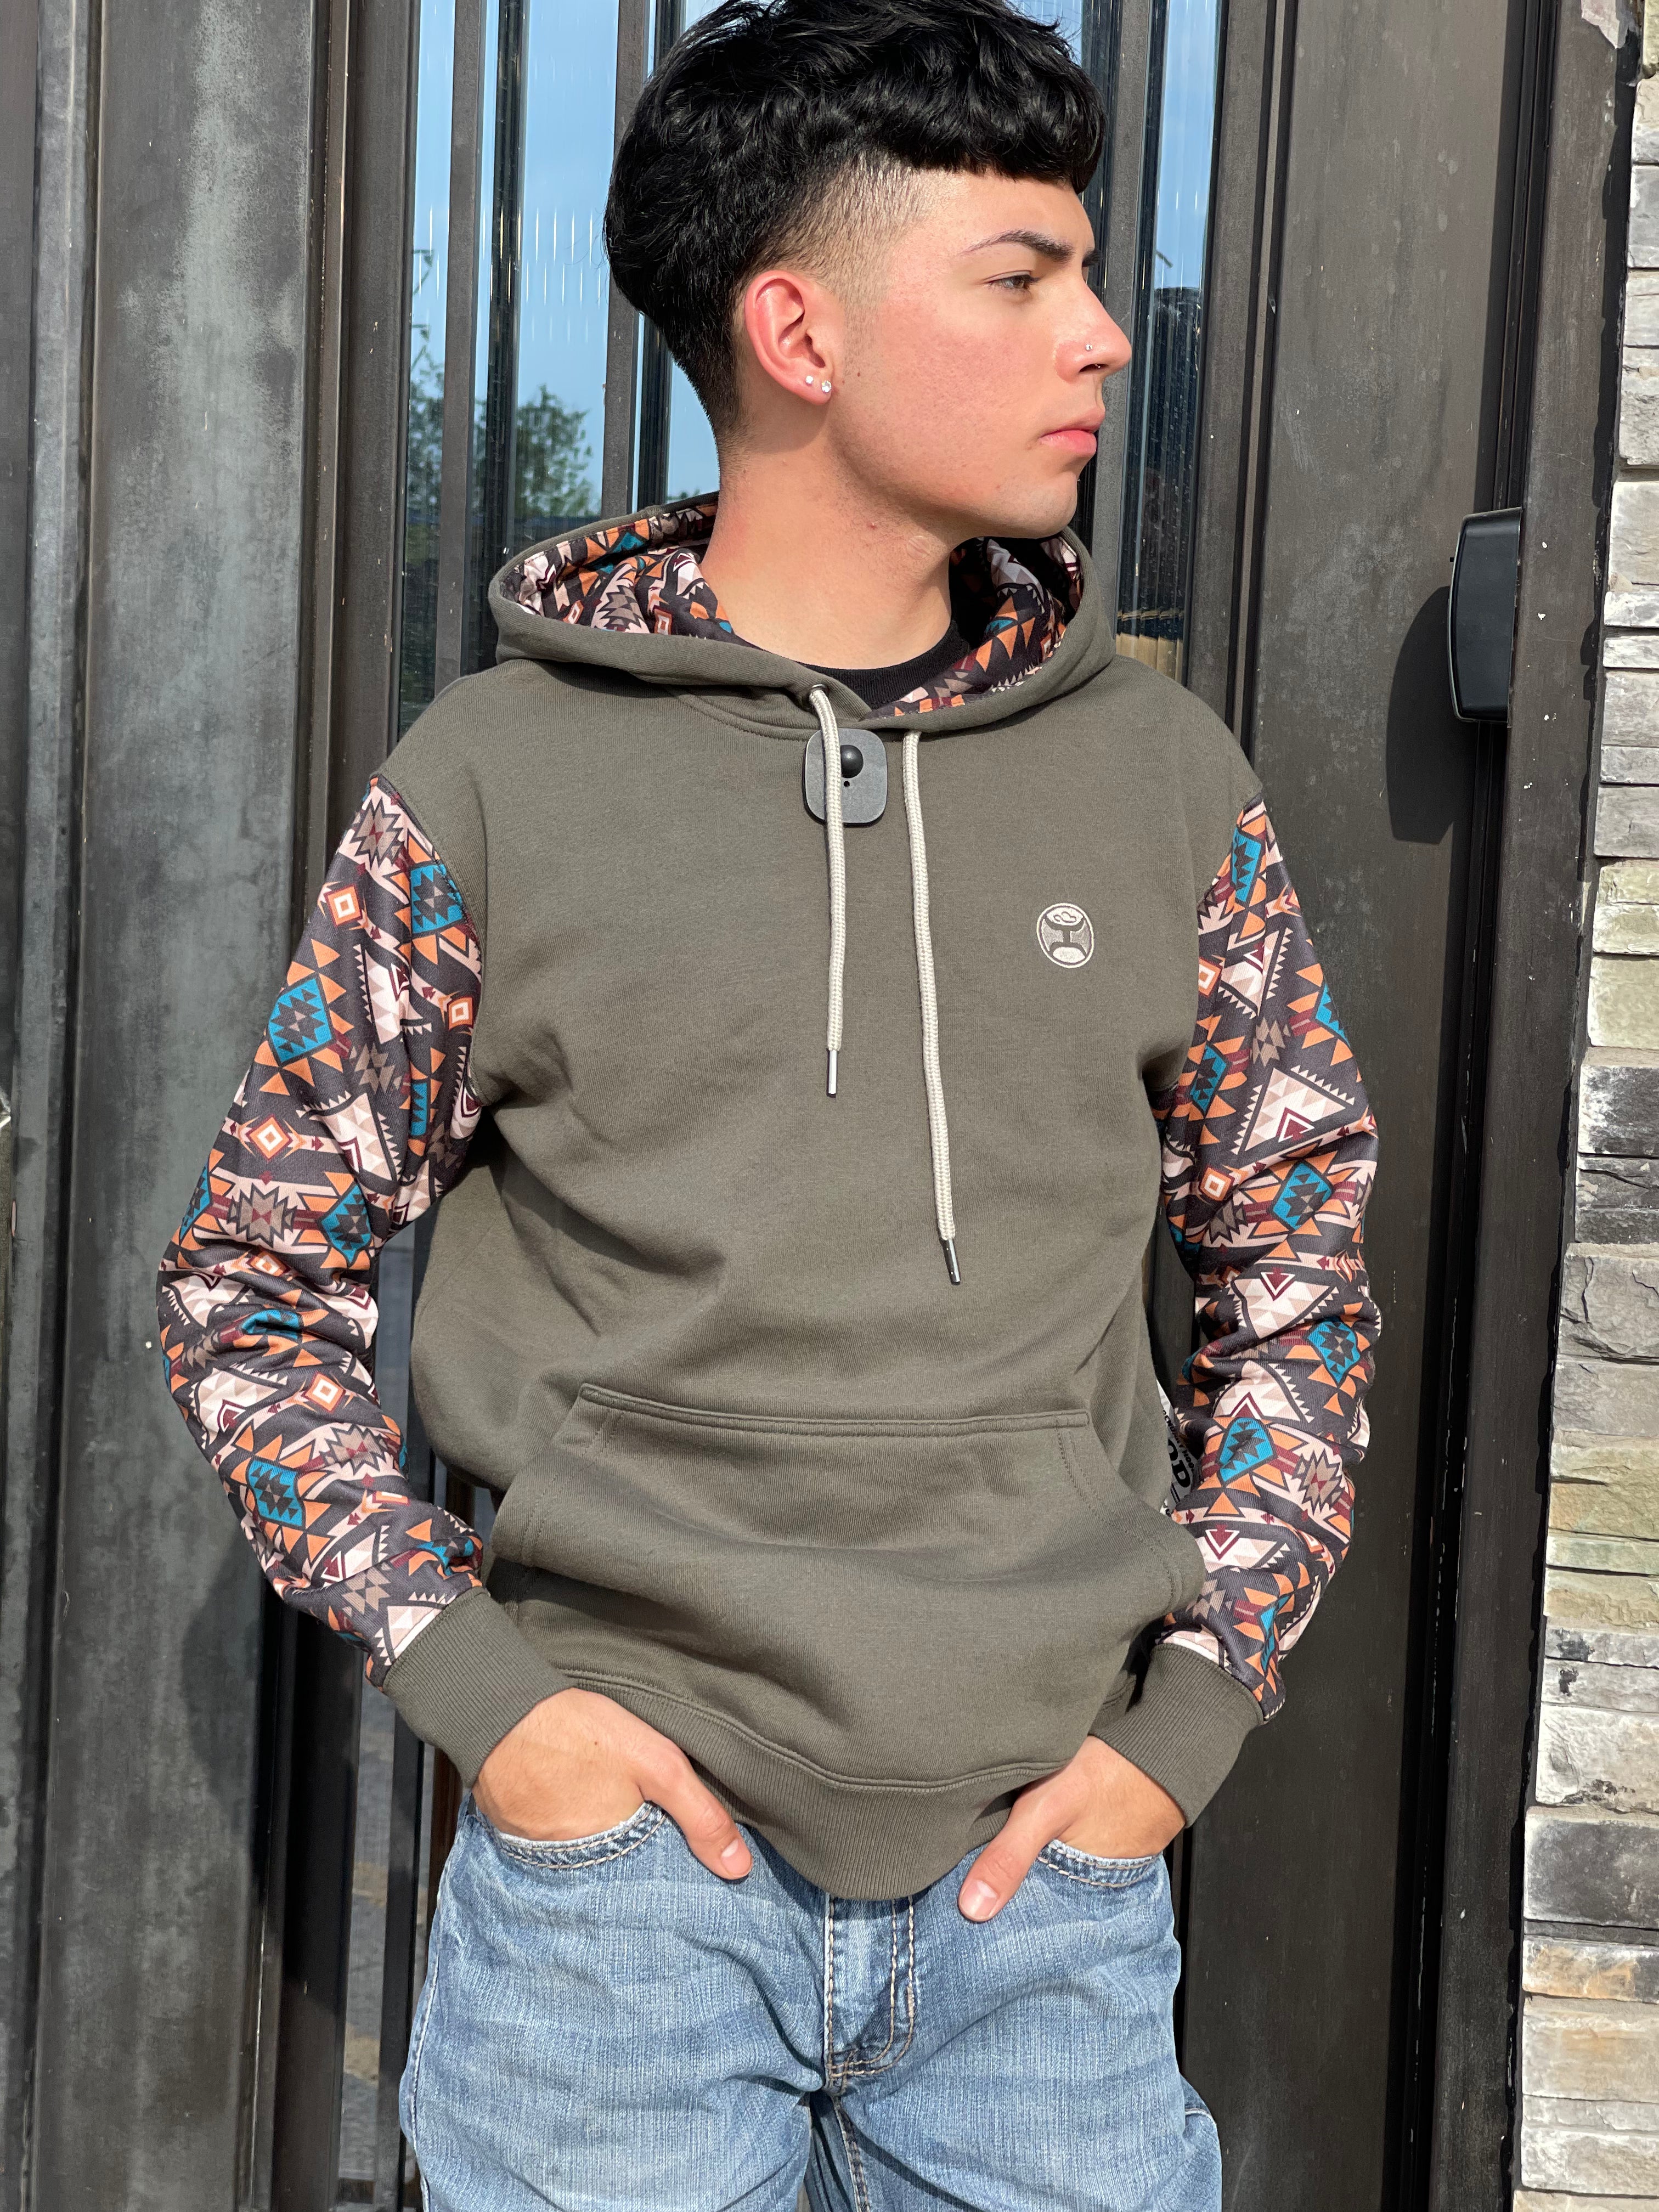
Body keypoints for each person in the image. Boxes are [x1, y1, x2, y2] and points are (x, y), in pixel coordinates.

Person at [157, 2, 1380, 2203]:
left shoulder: (1164, 781)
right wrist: (487, 1701)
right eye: (1022, 276)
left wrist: (1185, 1726)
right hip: (615, 1899)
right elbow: (253, 1285)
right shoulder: (495, 781)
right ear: (799, 331)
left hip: (1048, 1886)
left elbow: (1295, 1269)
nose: (1105, 335)